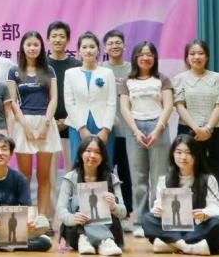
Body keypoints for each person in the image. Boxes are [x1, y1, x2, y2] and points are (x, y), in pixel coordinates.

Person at [140, 134, 219, 255]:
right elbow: (157, 206)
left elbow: (217, 208)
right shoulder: (164, 180)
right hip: (173, 228)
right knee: (147, 219)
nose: (183, 157)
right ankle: (187, 247)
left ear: (196, 155)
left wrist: (204, 213)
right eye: (179, 152)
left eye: (188, 153)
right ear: (173, 154)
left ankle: (171, 244)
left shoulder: (208, 179)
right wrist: (159, 211)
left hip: (198, 227)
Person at [120, 41, 174, 238]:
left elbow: (168, 105)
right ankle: (141, 222)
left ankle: (159, 219)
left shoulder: (162, 79)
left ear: (155, 58)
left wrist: (158, 129)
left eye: (149, 54)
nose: (145, 57)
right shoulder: (128, 81)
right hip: (135, 129)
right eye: (141, 54)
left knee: (160, 177)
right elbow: (124, 108)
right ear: (135, 57)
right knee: (138, 178)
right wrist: (135, 130)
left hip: (158, 128)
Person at [7, 31, 60, 218]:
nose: (32, 48)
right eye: (28, 44)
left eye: (36, 45)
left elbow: (54, 99)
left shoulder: (49, 70)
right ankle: (26, 218)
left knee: (44, 176)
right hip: (24, 125)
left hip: (45, 123)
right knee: (25, 176)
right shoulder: (14, 71)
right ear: (22, 47)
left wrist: (46, 124)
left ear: (41, 47)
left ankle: (42, 219)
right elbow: (12, 102)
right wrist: (25, 126)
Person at [56, 135, 126, 256]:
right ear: (81, 153)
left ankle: (93, 240)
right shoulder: (70, 178)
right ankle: (99, 240)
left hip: (107, 227)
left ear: (103, 157)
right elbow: (61, 210)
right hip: (77, 229)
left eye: (97, 152)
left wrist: (114, 206)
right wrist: (72, 218)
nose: (92, 155)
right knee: (77, 204)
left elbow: (123, 212)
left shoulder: (112, 178)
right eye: (88, 151)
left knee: (110, 215)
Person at [173, 39, 219, 176]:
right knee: (188, 169)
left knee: (216, 170)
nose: (196, 57)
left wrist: (208, 128)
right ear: (187, 58)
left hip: (214, 130)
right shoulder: (179, 79)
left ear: (207, 57)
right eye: (192, 54)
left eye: (200, 53)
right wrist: (197, 129)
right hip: (188, 130)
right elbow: (179, 105)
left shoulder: (217, 78)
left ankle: (214, 191)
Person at [64, 32, 116, 164]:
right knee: (79, 163)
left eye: (92, 47)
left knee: (103, 164)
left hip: (103, 126)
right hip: (78, 126)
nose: (88, 50)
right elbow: (69, 103)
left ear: (98, 50)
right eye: (84, 47)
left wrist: (106, 130)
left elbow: (111, 103)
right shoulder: (70, 74)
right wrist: (81, 128)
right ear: (79, 51)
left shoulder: (107, 73)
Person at [102, 29, 133, 218]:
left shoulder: (132, 69)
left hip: (128, 131)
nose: (114, 46)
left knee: (126, 173)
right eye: (110, 43)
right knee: (106, 173)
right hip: (107, 131)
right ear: (105, 48)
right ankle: (106, 212)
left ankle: (127, 212)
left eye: (118, 42)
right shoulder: (101, 68)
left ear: (124, 46)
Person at [45, 20, 80, 170]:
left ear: (68, 39)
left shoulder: (77, 65)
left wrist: (67, 120)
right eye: (54, 36)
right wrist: (50, 120)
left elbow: (81, 97)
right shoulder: (42, 65)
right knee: (48, 173)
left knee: (73, 171)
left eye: (62, 36)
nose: (58, 40)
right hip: (48, 124)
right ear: (48, 39)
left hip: (72, 124)